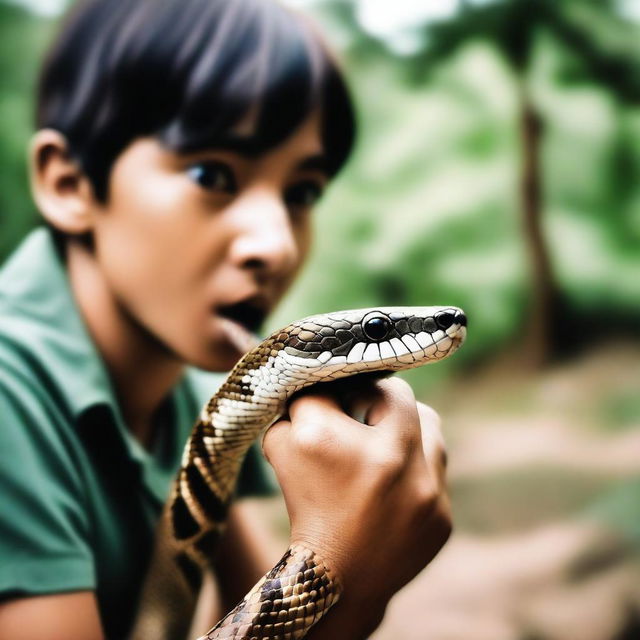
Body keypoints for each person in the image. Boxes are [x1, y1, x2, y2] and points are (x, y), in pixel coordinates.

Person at [0, 0, 452, 638]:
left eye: (302, 193)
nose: (278, 245)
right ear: (71, 183)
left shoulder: (191, 396)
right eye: (212, 173)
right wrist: (339, 581)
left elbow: (229, 600)